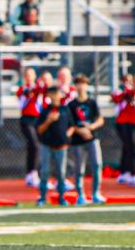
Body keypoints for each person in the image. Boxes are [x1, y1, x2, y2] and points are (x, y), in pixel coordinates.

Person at [66, 75, 105, 205]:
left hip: (92, 138)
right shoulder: (71, 105)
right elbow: (69, 124)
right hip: (78, 140)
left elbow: (100, 119)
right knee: (79, 168)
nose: (81, 87)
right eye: (78, 84)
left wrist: (91, 127)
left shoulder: (92, 103)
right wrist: (80, 130)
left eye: (83, 84)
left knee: (96, 165)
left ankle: (96, 193)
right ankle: (80, 194)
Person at [36, 85, 73, 206]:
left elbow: (72, 125)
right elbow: (40, 129)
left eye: (56, 93)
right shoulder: (45, 111)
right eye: (52, 94)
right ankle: (42, 197)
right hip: (47, 145)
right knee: (45, 171)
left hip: (61, 146)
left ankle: (62, 197)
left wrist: (68, 135)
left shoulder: (65, 110)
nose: (54, 96)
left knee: (61, 172)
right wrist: (49, 121)